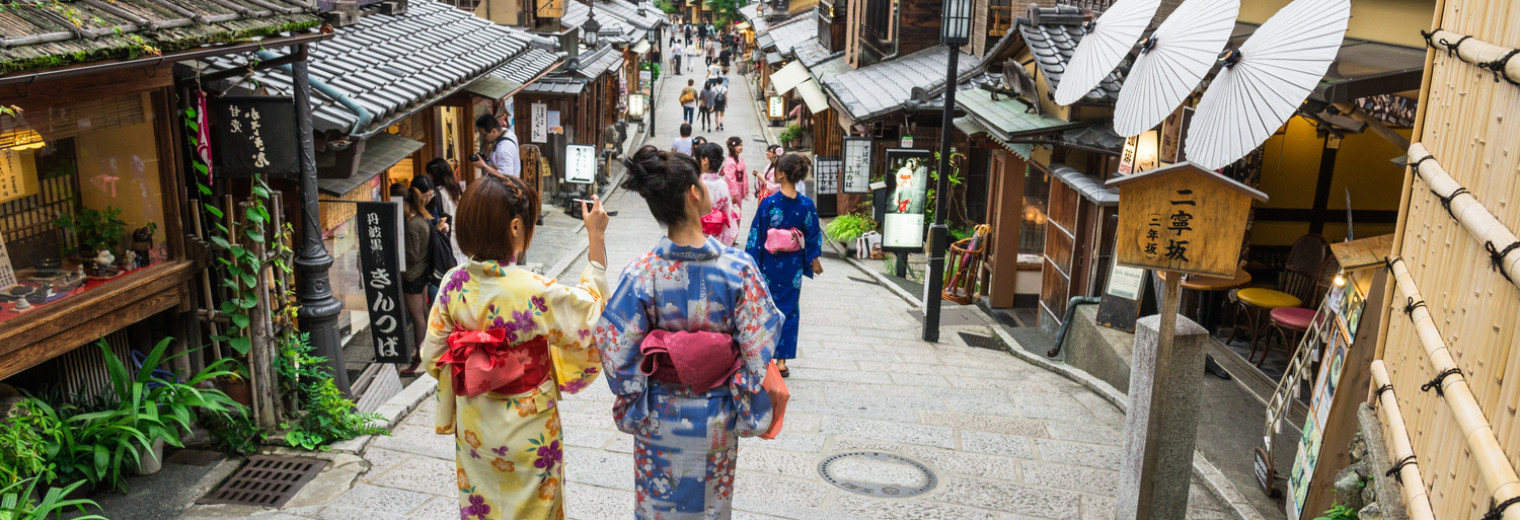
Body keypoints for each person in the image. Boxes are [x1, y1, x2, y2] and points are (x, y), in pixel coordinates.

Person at [595, 145, 783, 519]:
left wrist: (639, 397)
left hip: (658, 418)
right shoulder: (738, 269)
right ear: (694, 193)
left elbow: (615, 352)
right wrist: (737, 389)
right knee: (709, 510)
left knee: (658, 509)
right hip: (717, 415)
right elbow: (759, 346)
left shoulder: (641, 272)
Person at [421, 175, 609, 520]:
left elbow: (432, 357)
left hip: (475, 423)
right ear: (516, 226)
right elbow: (589, 315)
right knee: (535, 509)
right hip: (528, 425)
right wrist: (596, 238)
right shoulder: (533, 288)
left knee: (483, 508)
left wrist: (478, 369)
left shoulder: (452, 283)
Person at [745, 153, 822, 378]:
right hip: (793, 267)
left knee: (767, 308)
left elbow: (756, 236)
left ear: (780, 173)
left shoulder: (769, 203)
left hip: (769, 264)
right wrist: (813, 259)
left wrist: (751, 265)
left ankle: (765, 356)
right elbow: (813, 235)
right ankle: (781, 361)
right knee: (789, 310)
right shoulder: (806, 205)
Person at [395, 183, 433, 374]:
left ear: (404, 203)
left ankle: (419, 358)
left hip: (413, 276)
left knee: (418, 318)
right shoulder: (422, 219)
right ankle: (426, 352)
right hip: (423, 273)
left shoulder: (411, 225)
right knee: (424, 313)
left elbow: (412, 255)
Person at [694, 142, 740, 245]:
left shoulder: (696, 184)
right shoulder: (722, 184)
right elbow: (728, 213)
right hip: (718, 239)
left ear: (704, 160)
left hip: (697, 238)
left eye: (697, 159)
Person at [427, 159, 466, 262]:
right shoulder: (456, 190)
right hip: (460, 238)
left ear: (434, 175)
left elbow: (439, 220)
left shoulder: (437, 193)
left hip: (447, 239)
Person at [473, 114, 519, 180]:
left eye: (485, 135)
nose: (484, 138)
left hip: (504, 189)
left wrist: (483, 165)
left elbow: (506, 178)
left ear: (494, 131)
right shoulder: (507, 132)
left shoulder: (504, 149)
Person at [720, 136, 747, 208]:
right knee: (732, 211)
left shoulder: (741, 158)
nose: (741, 147)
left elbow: (745, 174)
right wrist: (733, 193)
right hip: (734, 188)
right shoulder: (730, 161)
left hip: (739, 187)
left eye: (742, 145)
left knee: (737, 210)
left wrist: (746, 187)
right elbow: (730, 178)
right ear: (733, 147)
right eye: (739, 145)